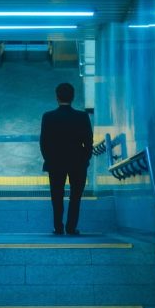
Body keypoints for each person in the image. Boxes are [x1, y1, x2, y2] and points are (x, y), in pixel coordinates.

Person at [39, 82, 93, 235]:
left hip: (55, 163)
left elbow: (44, 143)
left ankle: (58, 227)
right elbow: (88, 143)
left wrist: (49, 159)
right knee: (75, 197)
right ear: (73, 97)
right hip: (78, 163)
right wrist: (85, 160)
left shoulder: (48, 117)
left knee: (56, 196)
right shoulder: (82, 117)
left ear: (57, 97)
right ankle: (71, 227)